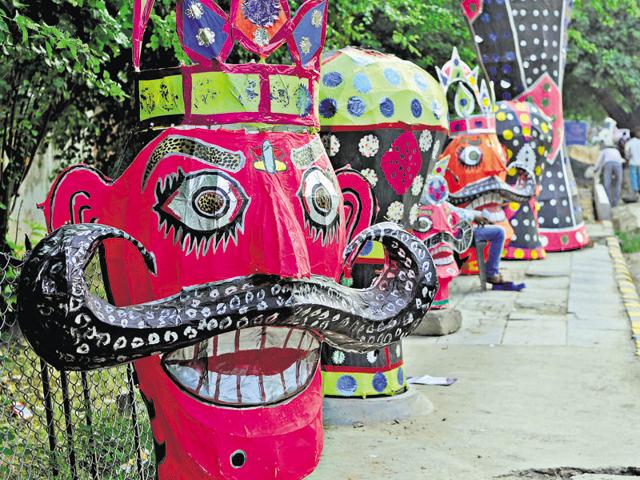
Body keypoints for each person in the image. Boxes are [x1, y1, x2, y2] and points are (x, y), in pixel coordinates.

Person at [449, 204, 507, 285]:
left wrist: (476, 214)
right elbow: (449, 211)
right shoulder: (431, 197)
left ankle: (492, 272)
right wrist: (474, 217)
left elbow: (452, 209)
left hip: (455, 229)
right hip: (458, 232)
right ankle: (491, 273)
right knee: (499, 232)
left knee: (497, 230)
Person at [595, 142, 625, 207]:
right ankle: (615, 203)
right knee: (618, 183)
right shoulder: (616, 151)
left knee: (607, 183)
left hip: (608, 164)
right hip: (618, 164)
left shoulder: (604, 151)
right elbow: (621, 160)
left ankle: (608, 201)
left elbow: (599, 161)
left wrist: (595, 169)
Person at [625, 129, 640, 194]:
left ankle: (635, 190)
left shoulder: (628, 143)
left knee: (633, 177)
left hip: (632, 162)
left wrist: (627, 158)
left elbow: (627, 153)